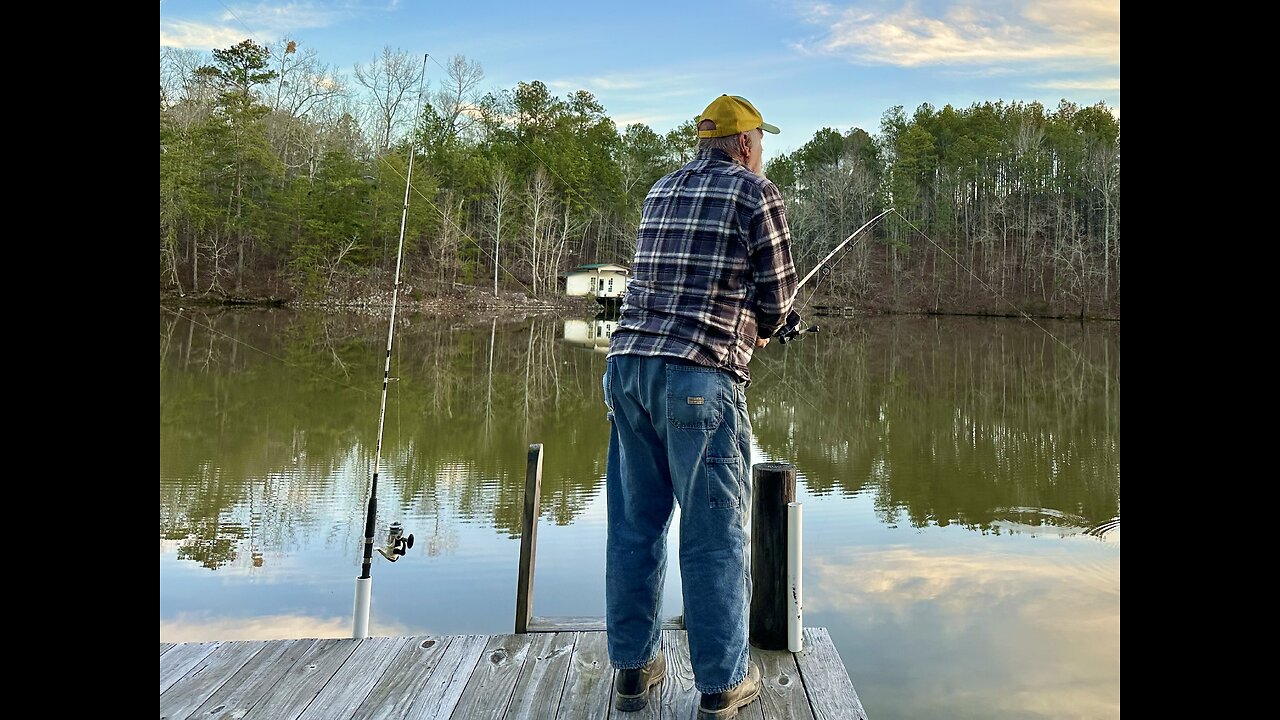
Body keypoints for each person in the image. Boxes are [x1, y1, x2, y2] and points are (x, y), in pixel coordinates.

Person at [603, 94, 799, 719]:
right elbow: (776, 300)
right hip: (698, 381)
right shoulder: (754, 193)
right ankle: (721, 684)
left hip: (628, 371)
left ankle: (633, 672)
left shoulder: (660, 190)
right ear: (745, 145)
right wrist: (775, 324)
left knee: (635, 526)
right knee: (715, 535)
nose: (761, 153)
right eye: (760, 142)